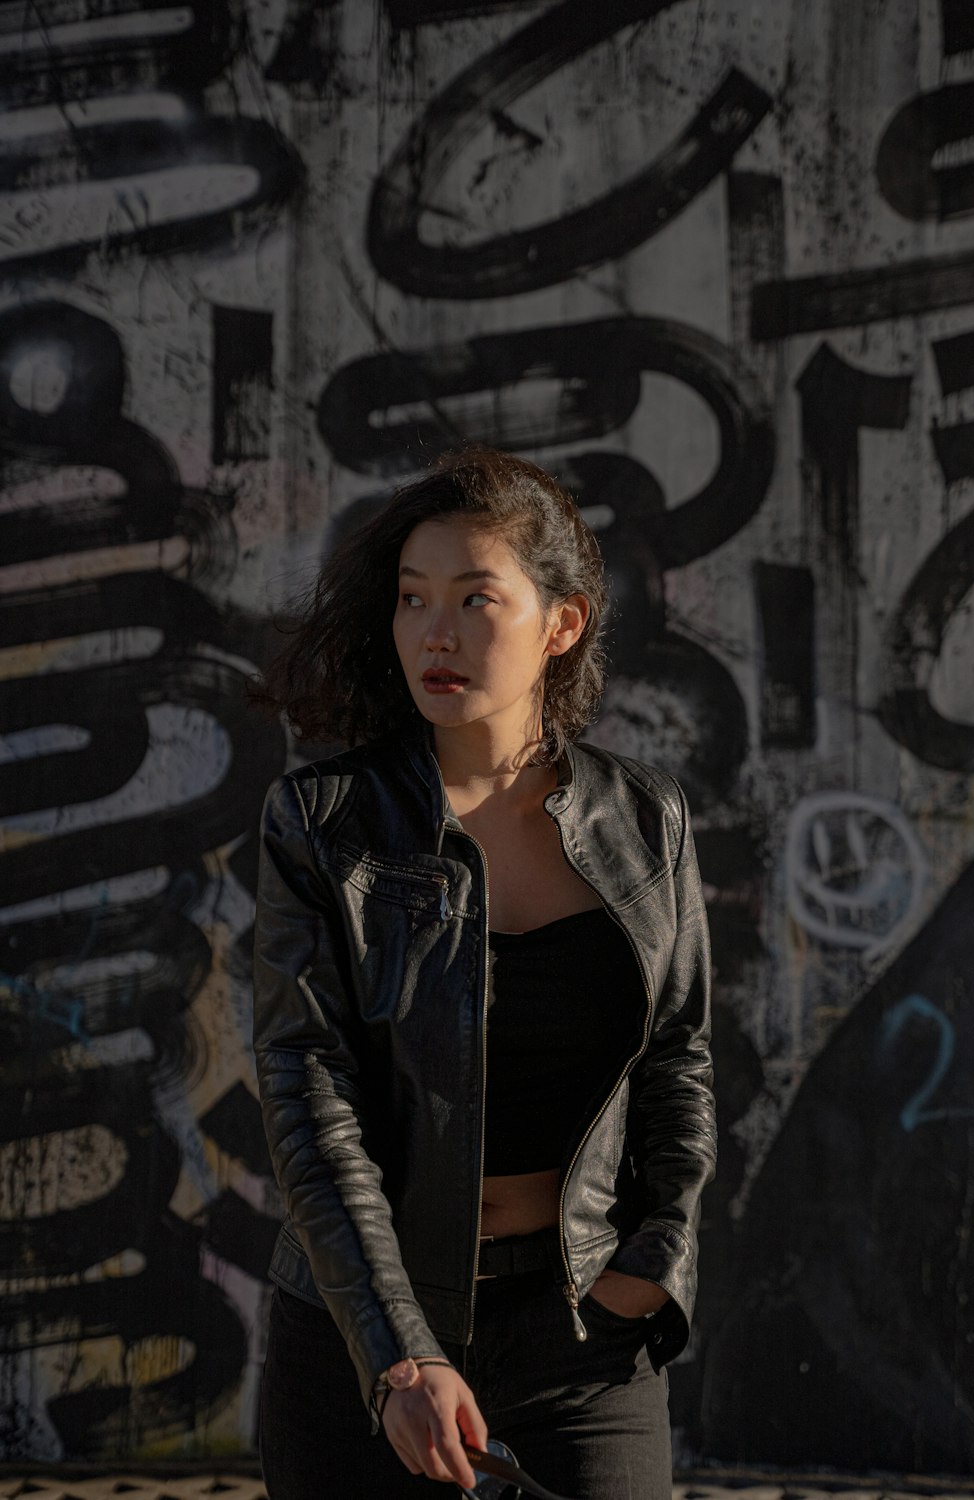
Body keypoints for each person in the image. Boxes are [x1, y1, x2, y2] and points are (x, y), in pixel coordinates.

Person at [252, 448, 716, 1498]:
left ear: (563, 623)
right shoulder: (324, 825)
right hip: (365, 1335)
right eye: (414, 600)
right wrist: (400, 1355)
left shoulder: (645, 822)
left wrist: (654, 1258)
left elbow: (677, 1060)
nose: (435, 632)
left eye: (475, 598)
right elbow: (308, 1098)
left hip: (580, 1336)